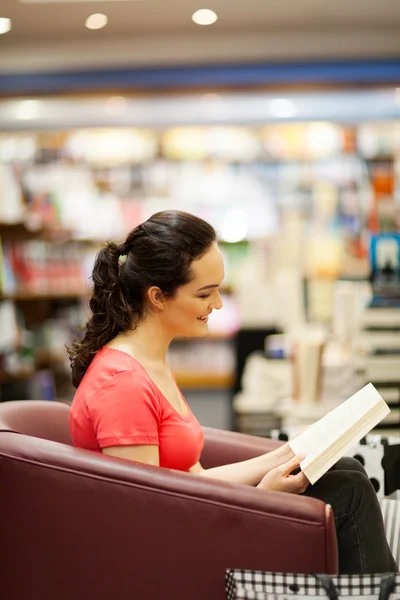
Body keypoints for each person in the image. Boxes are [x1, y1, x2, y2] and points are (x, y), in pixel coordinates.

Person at [68, 210, 397, 575]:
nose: (219, 304)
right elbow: (148, 511)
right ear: (158, 296)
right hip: (173, 549)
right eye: (205, 293)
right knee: (347, 492)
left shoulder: (149, 363)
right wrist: (261, 498)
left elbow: (189, 476)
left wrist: (285, 455)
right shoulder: (123, 384)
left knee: (346, 471)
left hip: (189, 519)